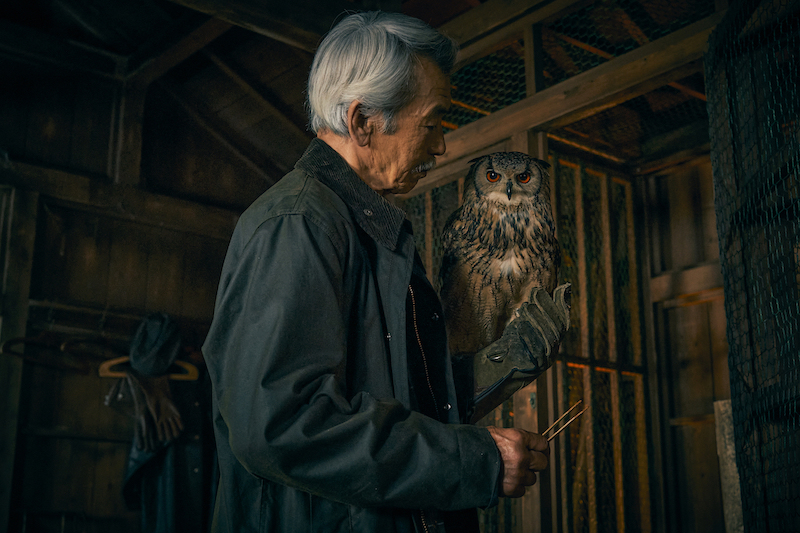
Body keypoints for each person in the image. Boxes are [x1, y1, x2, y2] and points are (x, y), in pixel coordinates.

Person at [202, 11, 569, 533]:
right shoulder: (299, 224)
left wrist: (505, 362)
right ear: (362, 122)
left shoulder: (364, 227)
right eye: (434, 120)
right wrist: (474, 460)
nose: (440, 144)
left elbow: (397, 396)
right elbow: (282, 425)